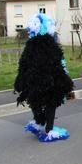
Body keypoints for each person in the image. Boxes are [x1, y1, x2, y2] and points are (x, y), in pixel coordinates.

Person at [14, 13, 73, 142]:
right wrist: (64, 81)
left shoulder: (30, 45)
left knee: (35, 101)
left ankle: (39, 122)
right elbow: (56, 64)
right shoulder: (50, 44)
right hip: (49, 80)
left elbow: (23, 63)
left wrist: (21, 79)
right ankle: (49, 129)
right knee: (51, 102)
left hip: (33, 80)